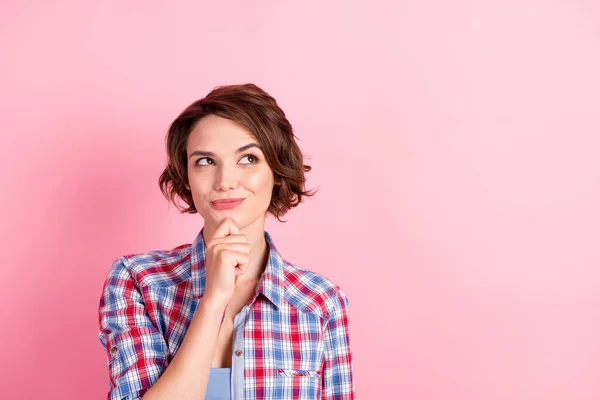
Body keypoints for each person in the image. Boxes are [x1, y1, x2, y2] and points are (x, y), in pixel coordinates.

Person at [97, 83, 356, 400]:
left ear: (276, 170)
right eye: (205, 161)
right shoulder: (139, 281)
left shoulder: (319, 302)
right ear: (187, 177)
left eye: (248, 158)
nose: (225, 182)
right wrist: (214, 300)